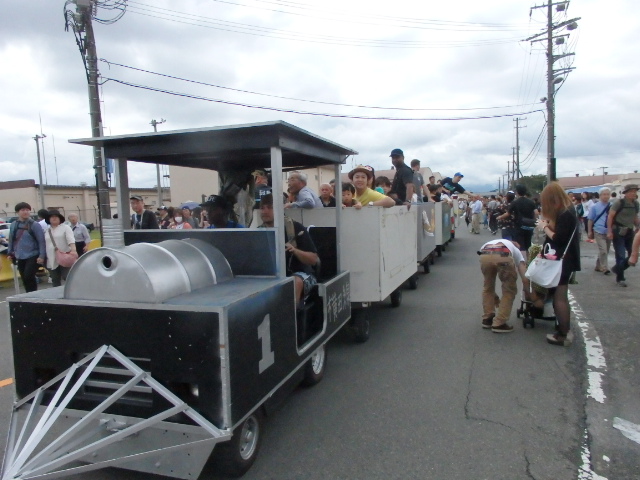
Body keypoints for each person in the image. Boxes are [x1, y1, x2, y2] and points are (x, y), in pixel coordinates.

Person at [536, 182, 580, 346]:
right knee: (560, 295)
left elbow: (559, 238)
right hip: (566, 259)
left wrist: (544, 227)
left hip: (562, 260)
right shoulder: (569, 210)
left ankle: (563, 333)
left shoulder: (565, 213)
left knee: (560, 297)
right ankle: (562, 329)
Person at [259, 194, 318, 306]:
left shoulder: (296, 228)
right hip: (271, 276)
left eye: (270, 207)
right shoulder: (258, 232)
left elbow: (313, 260)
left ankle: (291, 318)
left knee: (294, 282)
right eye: (262, 208)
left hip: (300, 274)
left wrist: (295, 250)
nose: (265, 211)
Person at [479, 238, 530, 333]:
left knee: (488, 287)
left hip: (484, 254)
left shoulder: (491, 242)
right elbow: (524, 277)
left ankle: (487, 318)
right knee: (509, 290)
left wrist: (495, 297)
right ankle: (499, 322)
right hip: (503, 254)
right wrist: (530, 295)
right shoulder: (516, 251)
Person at [7, 202, 46, 292]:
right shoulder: (14, 224)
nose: (26, 212)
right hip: (20, 255)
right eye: (23, 210)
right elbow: (11, 239)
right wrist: (10, 252)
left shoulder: (34, 224)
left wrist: (41, 256)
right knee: (24, 277)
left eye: (27, 210)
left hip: (33, 254)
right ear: (18, 212)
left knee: (29, 275)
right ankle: (28, 296)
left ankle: (33, 296)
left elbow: (41, 241)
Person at [607, 184, 640, 287]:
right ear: (625, 193)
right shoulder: (619, 203)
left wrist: (638, 226)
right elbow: (610, 217)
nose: (633, 193)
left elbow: (634, 217)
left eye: (635, 191)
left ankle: (617, 268)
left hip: (629, 231)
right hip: (618, 230)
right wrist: (609, 231)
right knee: (620, 254)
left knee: (633, 254)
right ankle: (620, 278)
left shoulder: (636, 204)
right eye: (631, 191)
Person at [44, 210, 76, 287]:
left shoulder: (65, 228)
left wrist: (73, 250)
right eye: (52, 217)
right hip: (51, 258)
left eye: (56, 217)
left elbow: (71, 239)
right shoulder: (47, 231)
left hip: (65, 256)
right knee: (55, 279)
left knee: (68, 277)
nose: (54, 218)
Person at [506, 184, 538, 253]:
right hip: (529, 225)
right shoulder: (531, 202)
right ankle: (528, 260)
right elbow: (536, 212)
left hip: (519, 225)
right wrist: (533, 220)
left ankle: (523, 261)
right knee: (528, 243)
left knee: (520, 244)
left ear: (517, 192)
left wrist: (499, 217)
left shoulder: (515, 202)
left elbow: (508, 213)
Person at [587, 187, 612, 275]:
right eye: (604, 194)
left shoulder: (612, 206)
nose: (606, 196)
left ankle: (598, 265)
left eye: (607, 194)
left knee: (605, 250)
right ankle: (605, 268)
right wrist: (589, 231)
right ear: (600, 195)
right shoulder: (595, 207)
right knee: (603, 250)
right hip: (598, 230)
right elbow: (590, 220)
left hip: (608, 231)